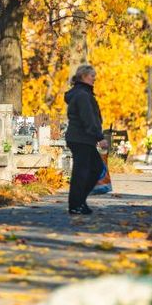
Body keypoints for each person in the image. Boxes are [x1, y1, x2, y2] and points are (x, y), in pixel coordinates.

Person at [64, 64, 105, 215]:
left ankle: (79, 202)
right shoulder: (82, 94)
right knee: (83, 172)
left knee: (94, 169)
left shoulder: (82, 93)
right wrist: (99, 137)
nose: (95, 78)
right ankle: (76, 204)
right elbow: (88, 118)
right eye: (92, 76)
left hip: (82, 138)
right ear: (83, 77)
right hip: (81, 138)